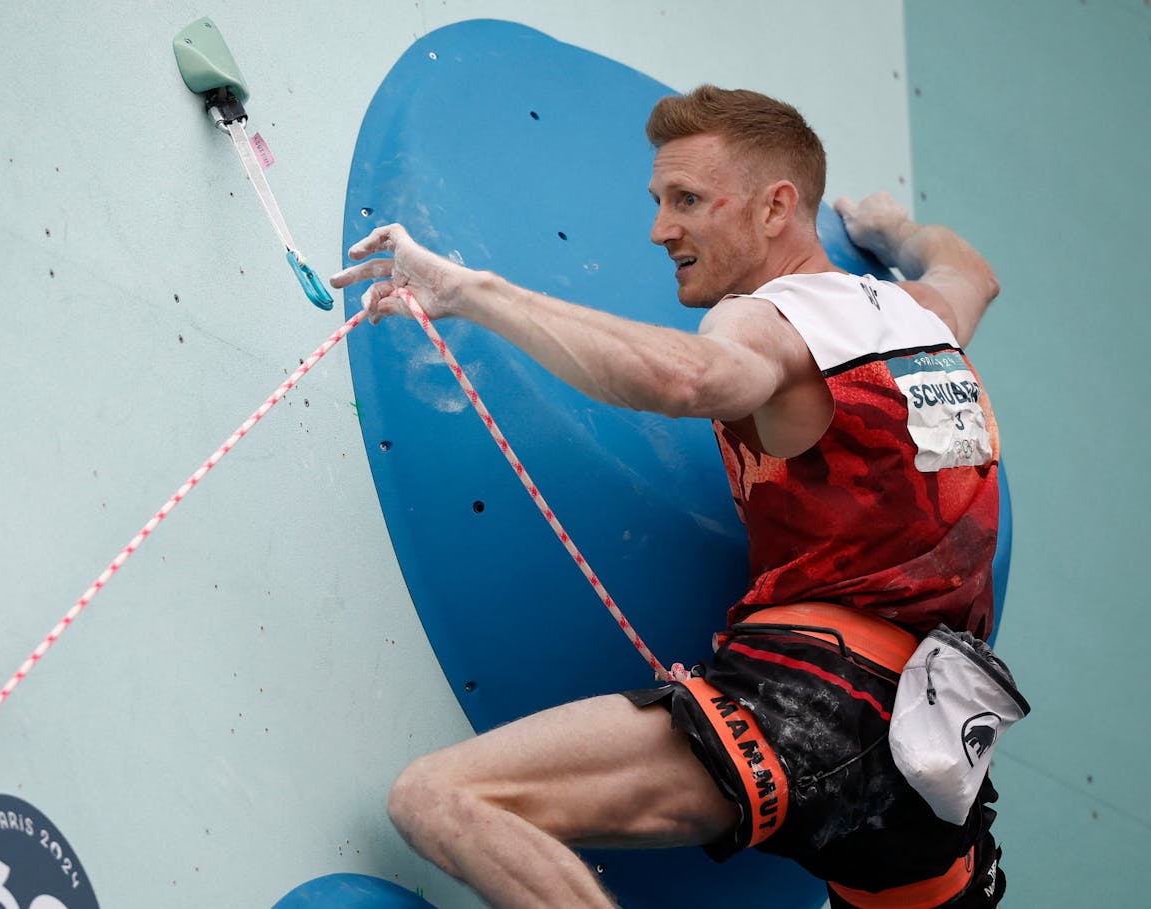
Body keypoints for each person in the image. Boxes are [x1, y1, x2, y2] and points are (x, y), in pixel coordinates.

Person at [328, 85, 1006, 909]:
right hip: (932, 760)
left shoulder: (769, 321)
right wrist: (891, 230)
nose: (659, 229)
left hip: (818, 700)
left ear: (775, 208)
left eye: (686, 200)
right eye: (658, 201)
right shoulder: (921, 315)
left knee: (440, 798)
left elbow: (690, 377)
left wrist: (469, 292)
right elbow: (971, 269)